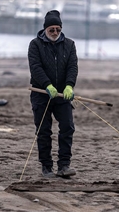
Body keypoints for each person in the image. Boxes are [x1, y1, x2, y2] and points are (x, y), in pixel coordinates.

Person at [28, 10, 78, 178]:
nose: (55, 33)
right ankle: (46, 166)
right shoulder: (35, 44)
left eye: (58, 29)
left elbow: (72, 67)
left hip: (63, 95)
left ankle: (64, 166)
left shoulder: (69, 45)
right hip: (41, 93)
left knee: (67, 127)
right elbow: (35, 68)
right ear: (45, 30)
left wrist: (69, 86)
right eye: (52, 30)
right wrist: (47, 85)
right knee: (43, 130)